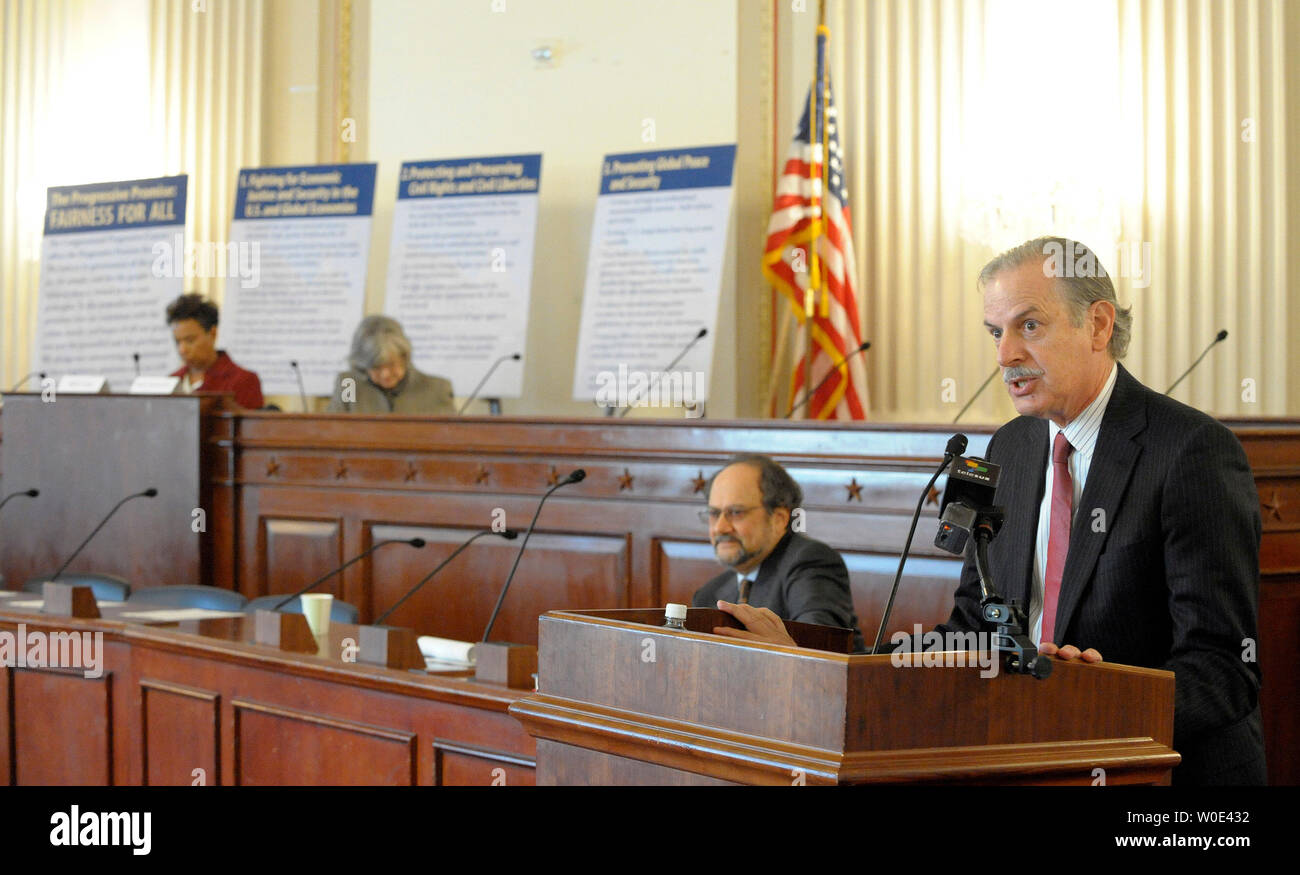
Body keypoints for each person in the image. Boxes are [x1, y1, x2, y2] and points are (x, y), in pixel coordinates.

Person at [724, 237, 1264, 786]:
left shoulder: (1191, 452)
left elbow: (1224, 669)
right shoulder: (1009, 449)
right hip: (1025, 759)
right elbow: (972, 629)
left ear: (1099, 325)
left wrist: (1096, 705)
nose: (1005, 356)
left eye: (1029, 326)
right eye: (995, 332)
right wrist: (820, 663)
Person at [694, 454, 866, 653]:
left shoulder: (810, 562)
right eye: (714, 514)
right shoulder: (708, 595)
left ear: (779, 518)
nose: (720, 528)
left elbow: (819, 652)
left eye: (736, 512)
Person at [326, 315, 456, 415]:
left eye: (391, 364)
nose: (385, 374)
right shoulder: (350, 385)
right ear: (363, 366)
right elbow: (335, 429)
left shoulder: (436, 389)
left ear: (404, 357)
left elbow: (449, 438)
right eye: (376, 367)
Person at [166, 293, 263, 410]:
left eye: (190, 340)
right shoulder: (172, 381)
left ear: (212, 333)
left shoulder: (243, 381)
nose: (182, 350)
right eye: (178, 342)